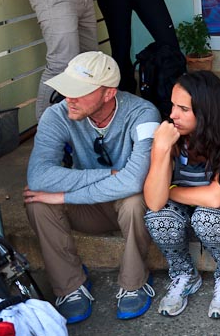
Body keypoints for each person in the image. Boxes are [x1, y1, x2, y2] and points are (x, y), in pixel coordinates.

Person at [23, 51, 160, 324]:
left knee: (134, 198)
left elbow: (134, 181)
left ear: (108, 93)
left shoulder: (144, 113)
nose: (69, 98)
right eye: (66, 89)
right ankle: (70, 286)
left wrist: (64, 194)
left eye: (79, 91)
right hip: (89, 208)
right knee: (37, 201)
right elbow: (38, 177)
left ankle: (134, 281)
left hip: (129, 207)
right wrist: (108, 174)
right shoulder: (57, 114)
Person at [143, 71, 220, 319]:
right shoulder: (171, 136)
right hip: (188, 214)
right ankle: (184, 274)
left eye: (183, 109)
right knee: (157, 216)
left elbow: (216, 198)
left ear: (206, 111)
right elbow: (154, 202)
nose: (173, 115)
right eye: (173, 105)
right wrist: (160, 150)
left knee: (208, 215)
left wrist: (171, 191)